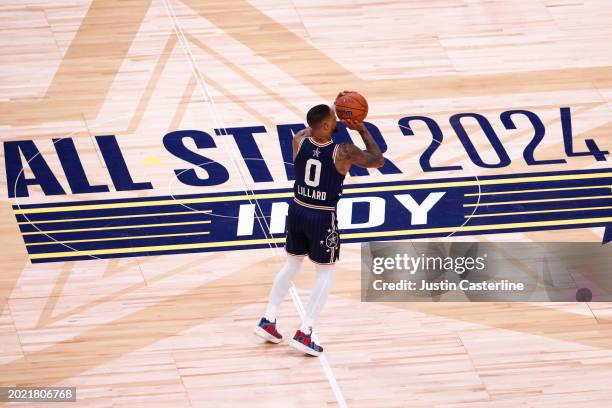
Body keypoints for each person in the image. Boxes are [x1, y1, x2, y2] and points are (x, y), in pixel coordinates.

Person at [254, 91, 385, 356]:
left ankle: (268, 320)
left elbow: (312, 128)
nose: (338, 122)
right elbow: (377, 159)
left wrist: (325, 117)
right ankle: (306, 332)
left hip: (297, 209)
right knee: (325, 272)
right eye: (334, 119)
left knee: (291, 264)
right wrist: (360, 128)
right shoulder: (343, 151)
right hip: (322, 215)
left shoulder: (299, 139)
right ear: (325, 126)